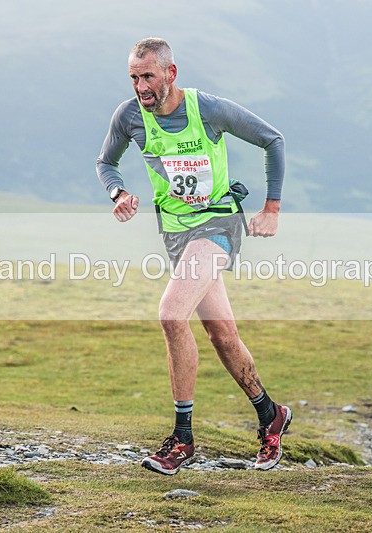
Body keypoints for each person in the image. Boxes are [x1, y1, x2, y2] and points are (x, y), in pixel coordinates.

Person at [96, 37, 290, 475]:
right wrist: (119, 191)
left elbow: (272, 140)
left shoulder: (209, 110)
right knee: (222, 336)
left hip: (219, 226)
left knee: (170, 314)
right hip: (177, 237)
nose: (140, 86)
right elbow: (105, 162)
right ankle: (270, 414)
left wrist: (272, 209)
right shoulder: (128, 116)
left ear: (170, 73)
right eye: (133, 77)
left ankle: (182, 440)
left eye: (147, 76)